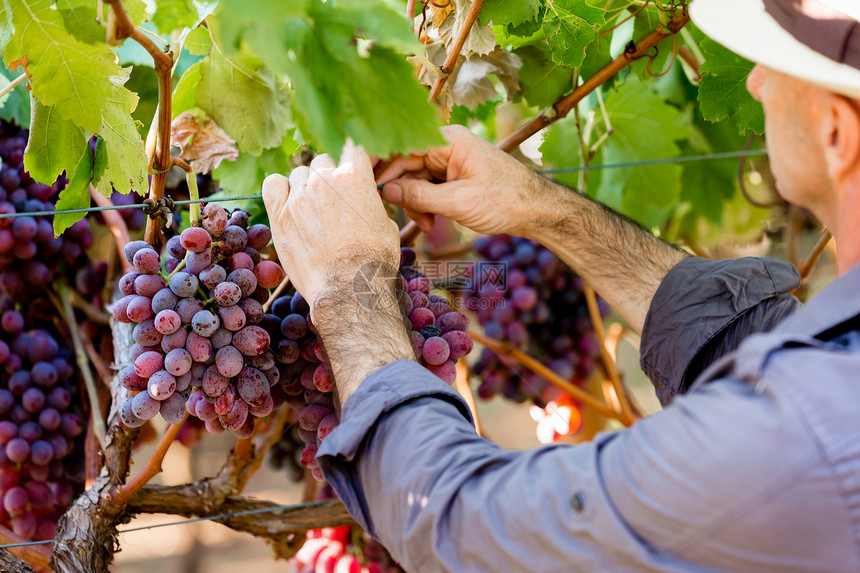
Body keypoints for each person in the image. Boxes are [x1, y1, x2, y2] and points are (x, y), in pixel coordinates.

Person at [261, 0, 860, 570]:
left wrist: (347, 286)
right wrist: (542, 209)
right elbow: (733, 333)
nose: (756, 82)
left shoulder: (805, 435)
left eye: (777, 66)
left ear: (836, 133)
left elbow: (467, 533)